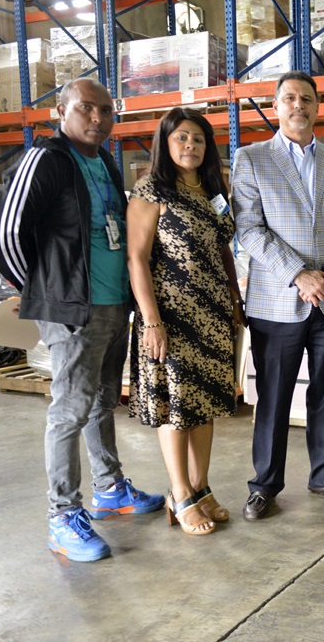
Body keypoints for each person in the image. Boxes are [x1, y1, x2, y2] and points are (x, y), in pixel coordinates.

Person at [0, 78, 164, 562]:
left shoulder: (103, 160)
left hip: (111, 305)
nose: (98, 118)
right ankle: (61, 517)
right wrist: (45, 292)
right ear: (61, 112)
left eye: (106, 110)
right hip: (74, 312)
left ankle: (110, 489)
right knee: (68, 412)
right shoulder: (45, 160)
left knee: (103, 400)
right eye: (87, 108)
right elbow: (2, 237)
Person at [233, 71, 324, 520]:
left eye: (306, 99)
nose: (298, 105)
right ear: (276, 106)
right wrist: (299, 275)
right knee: (273, 394)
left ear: (316, 107)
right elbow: (249, 229)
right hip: (277, 300)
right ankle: (264, 485)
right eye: (289, 98)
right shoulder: (251, 158)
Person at [126, 108, 243, 535]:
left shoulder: (213, 189)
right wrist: (151, 320)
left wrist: (233, 298)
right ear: (166, 143)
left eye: (197, 138)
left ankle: (201, 486)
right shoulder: (151, 189)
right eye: (181, 138)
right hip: (171, 315)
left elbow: (223, 250)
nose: (190, 145)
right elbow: (136, 258)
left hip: (211, 313)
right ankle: (179, 494)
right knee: (176, 406)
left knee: (205, 403)